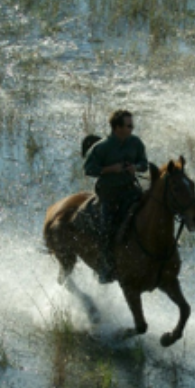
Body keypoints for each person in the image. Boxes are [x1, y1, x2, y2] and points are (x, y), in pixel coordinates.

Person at [83, 109, 149, 283]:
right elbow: (88, 169)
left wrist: (136, 167)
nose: (132, 128)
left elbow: (144, 163)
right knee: (106, 229)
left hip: (131, 191)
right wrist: (109, 169)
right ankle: (105, 268)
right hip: (109, 194)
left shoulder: (136, 143)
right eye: (128, 125)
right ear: (117, 127)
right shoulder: (101, 147)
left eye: (131, 125)